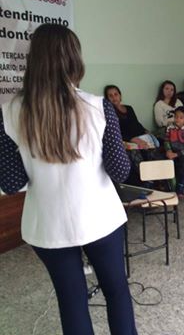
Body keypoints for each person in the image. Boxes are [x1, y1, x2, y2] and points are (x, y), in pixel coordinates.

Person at [0, 24, 137, 334]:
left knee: (71, 300)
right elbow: (120, 171)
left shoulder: (8, 113)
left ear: (33, 60)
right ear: (75, 60)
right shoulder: (98, 106)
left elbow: (12, 183)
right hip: (101, 220)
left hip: (48, 226)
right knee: (117, 292)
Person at [104, 84, 159, 149]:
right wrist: (134, 139)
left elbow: (136, 123)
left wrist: (147, 131)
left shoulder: (129, 108)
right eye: (110, 96)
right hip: (130, 140)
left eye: (116, 94)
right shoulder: (109, 113)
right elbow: (115, 133)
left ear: (120, 96)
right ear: (107, 99)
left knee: (159, 142)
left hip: (142, 135)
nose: (114, 97)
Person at [164, 107, 184, 197]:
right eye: (176, 117)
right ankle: (165, 183)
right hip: (172, 150)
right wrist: (168, 150)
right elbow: (166, 140)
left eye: (181, 117)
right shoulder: (170, 127)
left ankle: (180, 186)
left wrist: (176, 154)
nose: (177, 119)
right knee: (160, 158)